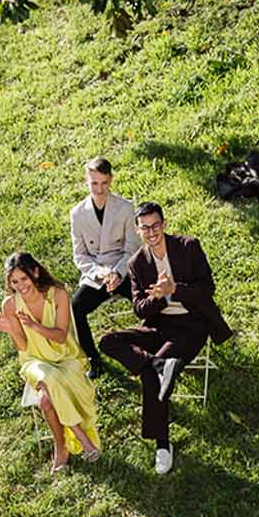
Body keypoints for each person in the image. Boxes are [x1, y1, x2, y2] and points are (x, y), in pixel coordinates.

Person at [99, 203, 233, 475]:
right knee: (108, 340)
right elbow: (139, 308)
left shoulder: (187, 246)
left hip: (190, 325)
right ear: (137, 230)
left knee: (150, 374)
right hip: (158, 326)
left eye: (155, 225)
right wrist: (158, 299)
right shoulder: (137, 262)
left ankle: (162, 444)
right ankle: (159, 366)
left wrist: (174, 290)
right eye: (145, 227)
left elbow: (207, 289)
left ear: (164, 223)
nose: (151, 232)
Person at [0, 253, 101, 474]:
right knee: (49, 377)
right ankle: (81, 439)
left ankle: (61, 447)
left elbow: (60, 336)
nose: (20, 286)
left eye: (24, 279)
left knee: (46, 402)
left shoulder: (58, 294)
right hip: (35, 360)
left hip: (66, 357)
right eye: (14, 282)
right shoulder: (10, 305)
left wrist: (33, 326)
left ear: (36, 272)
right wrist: (11, 329)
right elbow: (22, 346)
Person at [68, 157, 140, 379]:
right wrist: (101, 274)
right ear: (86, 181)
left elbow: (133, 248)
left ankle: (157, 344)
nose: (99, 189)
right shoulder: (77, 214)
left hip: (123, 268)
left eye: (104, 183)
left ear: (111, 180)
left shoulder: (126, 208)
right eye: (94, 183)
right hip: (97, 274)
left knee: (147, 298)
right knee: (76, 308)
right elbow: (80, 256)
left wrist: (118, 272)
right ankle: (93, 358)